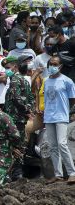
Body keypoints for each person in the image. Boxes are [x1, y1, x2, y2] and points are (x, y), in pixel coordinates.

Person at [43, 56, 75, 184]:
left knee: (62, 143)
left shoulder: (67, 81)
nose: (52, 66)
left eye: (55, 64)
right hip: (49, 116)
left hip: (61, 116)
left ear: (60, 66)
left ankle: (72, 173)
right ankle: (58, 174)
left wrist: (69, 111)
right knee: (52, 146)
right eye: (50, 64)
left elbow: (72, 99)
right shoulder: (46, 81)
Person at [2, 56, 35, 179]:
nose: (6, 70)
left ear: (15, 67)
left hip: (14, 118)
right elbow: (31, 98)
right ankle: (17, 172)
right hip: (20, 119)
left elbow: (16, 98)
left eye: (8, 68)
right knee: (19, 143)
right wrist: (29, 109)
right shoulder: (24, 80)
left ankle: (15, 172)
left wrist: (26, 110)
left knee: (13, 144)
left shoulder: (15, 80)